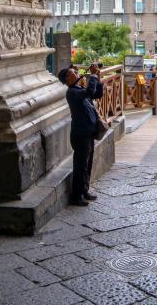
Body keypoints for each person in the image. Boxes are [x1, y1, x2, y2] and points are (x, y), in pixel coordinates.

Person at [58, 64, 103, 207]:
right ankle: (76, 196)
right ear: (67, 78)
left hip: (88, 131)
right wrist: (94, 76)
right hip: (80, 134)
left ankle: (84, 190)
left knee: (87, 164)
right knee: (80, 166)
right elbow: (89, 92)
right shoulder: (72, 92)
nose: (76, 73)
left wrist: (98, 79)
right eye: (72, 72)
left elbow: (96, 94)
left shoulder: (78, 89)